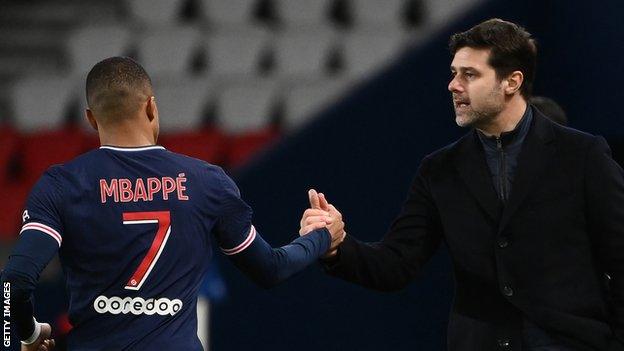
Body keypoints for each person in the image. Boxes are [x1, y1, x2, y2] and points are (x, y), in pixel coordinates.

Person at [301, 19, 624, 351]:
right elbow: (395, 264)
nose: (453, 85)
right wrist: (337, 246)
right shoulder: (439, 170)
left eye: (469, 74)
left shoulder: (583, 155)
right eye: (454, 73)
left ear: (512, 82)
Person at [0, 56, 345, 351]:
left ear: (91, 119)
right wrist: (321, 236)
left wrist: (27, 334)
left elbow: (13, 282)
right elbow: (271, 269)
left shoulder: (63, 184)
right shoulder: (207, 182)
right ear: (151, 106)